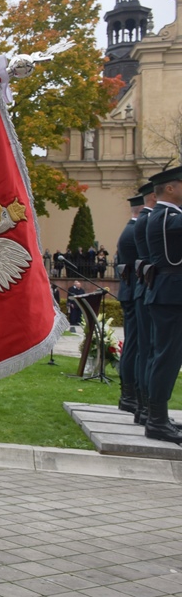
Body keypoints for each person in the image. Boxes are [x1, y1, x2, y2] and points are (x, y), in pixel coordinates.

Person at [142, 167, 182, 444]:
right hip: (171, 294)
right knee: (166, 357)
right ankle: (156, 420)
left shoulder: (168, 215)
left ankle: (158, 416)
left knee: (167, 357)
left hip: (169, 294)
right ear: (170, 188)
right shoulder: (168, 216)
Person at [114, 194, 145, 416]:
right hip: (134, 293)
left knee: (133, 345)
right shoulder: (134, 231)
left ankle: (129, 395)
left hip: (131, 291)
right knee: (134, 345)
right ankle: (129, 395)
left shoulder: (131, 229)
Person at [132, 182, 156, 426]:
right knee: (151, 351)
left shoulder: (145, 220)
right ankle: (150, 411)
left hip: (145, 290)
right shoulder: (149, 221)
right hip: (153, 291)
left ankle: (144, 407)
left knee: (145, 349)